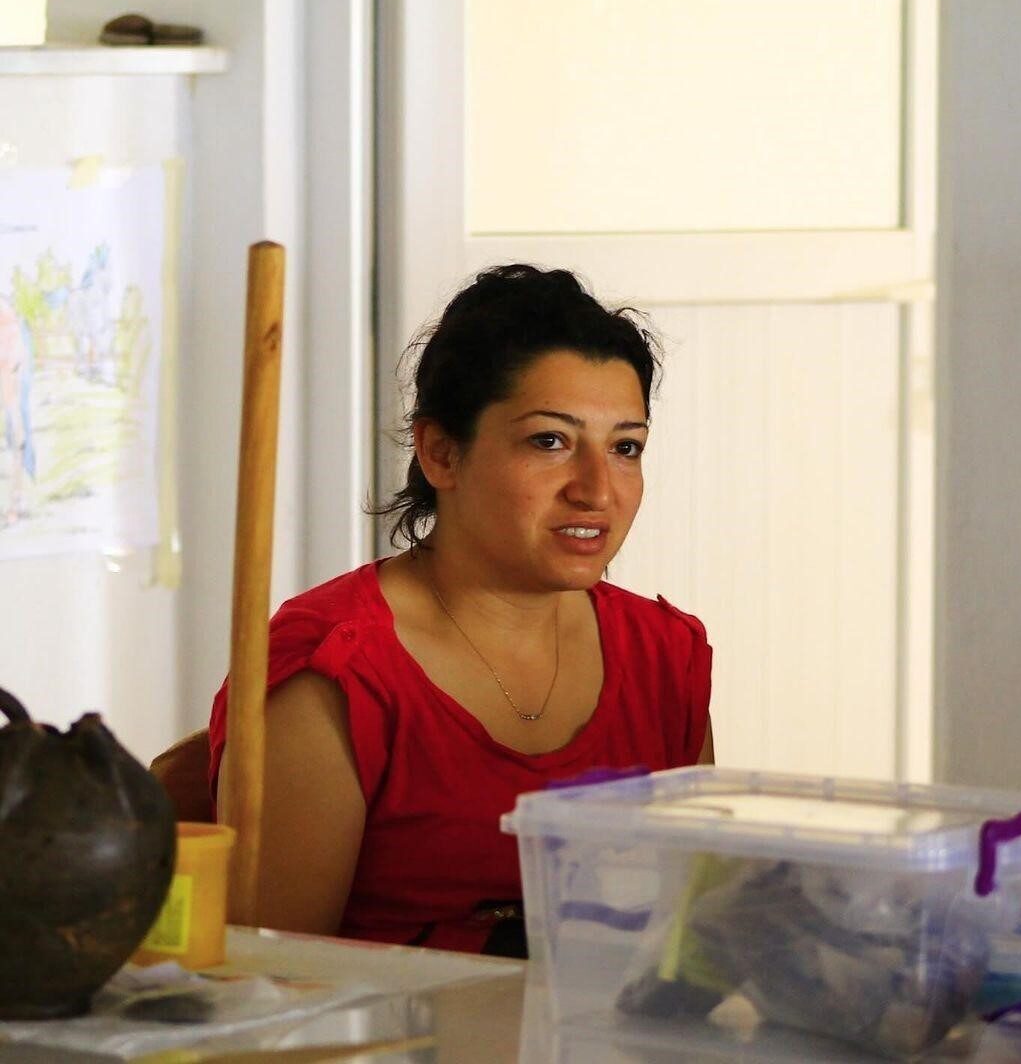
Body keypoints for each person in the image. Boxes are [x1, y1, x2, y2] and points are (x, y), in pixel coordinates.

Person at [208, 264, 713, 957]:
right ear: (441, 453)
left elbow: (685, 946)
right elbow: (273, 982)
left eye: (625, 448)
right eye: (550, 441)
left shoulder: (664, 659)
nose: (598, 490)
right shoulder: (335, 676)